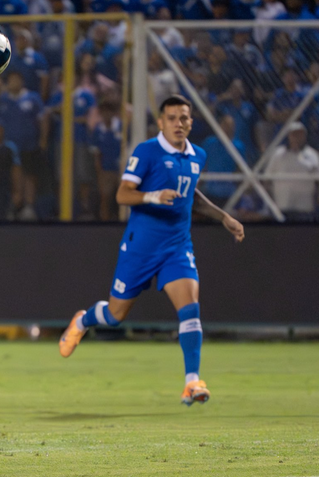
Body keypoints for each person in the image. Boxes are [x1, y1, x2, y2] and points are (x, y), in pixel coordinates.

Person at [58, 95, 245, 406]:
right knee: (115, 315)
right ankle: (83, 320)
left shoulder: (197, 155)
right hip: (140, 248)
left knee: (190, 308)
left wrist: (224, 217)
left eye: (184, 118)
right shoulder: (147, 152)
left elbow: (191, 196)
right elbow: (122, 194)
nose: (178, 123)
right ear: (161, 122)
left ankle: (192, 382)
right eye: (171, 118)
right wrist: (153, 196)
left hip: (177, 247)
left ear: (190, 122)